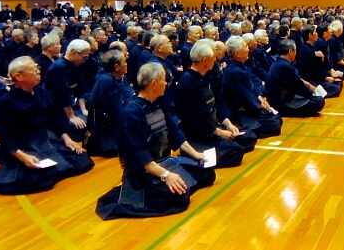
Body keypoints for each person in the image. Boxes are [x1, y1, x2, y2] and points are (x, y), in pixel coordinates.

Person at [95, 63, 216, 220]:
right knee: (180, 199)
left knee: (207, 173)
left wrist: (196, 154)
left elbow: (175, 132)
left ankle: (178, 184)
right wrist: (166, 176)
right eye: (164, 80)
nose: (166, 83)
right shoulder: (130, 114)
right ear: (153, 84)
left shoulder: (158, 103)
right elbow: (139, 155)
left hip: (165, 161)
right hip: (144, 171)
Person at [0, 57, 93, 195]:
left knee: (82, 161)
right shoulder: (5, 102)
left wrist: (67, 139)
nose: (38, 72)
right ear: (18, 76)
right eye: (33, 69)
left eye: (37, 68)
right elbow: (5, 136)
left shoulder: (42, 92)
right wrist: (23, 157)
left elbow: (55, 119)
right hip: (23, 146)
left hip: (45, 140)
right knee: (39, 178)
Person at [174, 40, 256, 167]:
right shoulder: (186, 84)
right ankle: (191, 154)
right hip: (199, 134)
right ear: (205, 60)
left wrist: (228, 124)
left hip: (214, 126)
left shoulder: (208, 76)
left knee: (248, 137)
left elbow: (218, 101)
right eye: (213, 58)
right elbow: (196, 119)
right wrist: (218, 132)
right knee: (236, 151)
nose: (216, 61)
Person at [221, 36, 282, 139]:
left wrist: (260, 99)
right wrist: (260, 106)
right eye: (245, 47)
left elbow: (252, 86)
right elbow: (245, 96)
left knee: (277, 118)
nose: (248, 49)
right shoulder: (234, 71)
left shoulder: (241, 66)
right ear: (237, 53)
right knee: (274, 125)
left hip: (252, 106)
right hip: (242, 111)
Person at [85, 50, 134, 157]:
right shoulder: (106, 81)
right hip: (105, 130)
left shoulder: (118, 77)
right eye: (124, 61)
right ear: (116, 67)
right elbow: (116, 112)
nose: (126, 64)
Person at [265, 39, 325, 117]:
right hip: (281, 104)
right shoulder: (283, 66)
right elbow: (298, 86)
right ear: (290, 52)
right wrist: (311, 94)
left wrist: (310, 87)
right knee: (319, 101)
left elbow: (297, 80)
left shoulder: (279, 63)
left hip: (283, 98)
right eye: (295, 51)